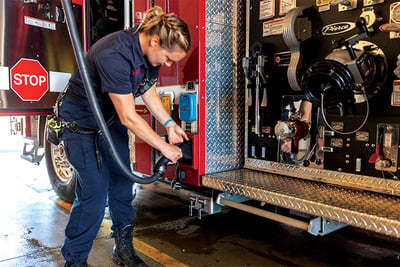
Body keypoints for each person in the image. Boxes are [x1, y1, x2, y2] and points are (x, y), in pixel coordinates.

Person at [58, 6, 191, 267]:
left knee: (121, 186)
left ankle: (123, 249)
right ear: (155, 41)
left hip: (107, 122)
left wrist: (169, 122)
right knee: (94, 196)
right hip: (82, 125)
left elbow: (147, 88)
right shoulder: (115, 53)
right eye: (167, 58)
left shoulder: (147, 54)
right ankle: (74, 261)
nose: (167, 64)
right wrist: (163, 146)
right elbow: (129, 117)